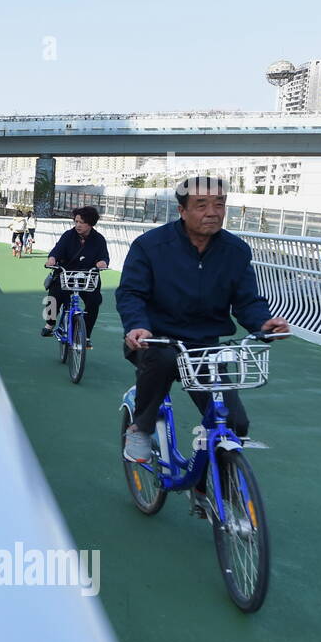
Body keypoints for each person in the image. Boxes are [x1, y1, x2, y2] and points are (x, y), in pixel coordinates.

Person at [117, 176, 290, 464]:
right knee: (163, 360)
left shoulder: (235, 251)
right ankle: (141, 427)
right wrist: (137, 325)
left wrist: (264, 323)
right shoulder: (150, 246)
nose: (212, 212)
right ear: (182, 211)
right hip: (156, 339)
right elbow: (131, 293)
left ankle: (214, 491)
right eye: (201, 205)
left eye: (219, 204)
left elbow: (246, 301)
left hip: (204, 348)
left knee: (234, 423)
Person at [41, 206, 109, 344]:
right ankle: (50, 322)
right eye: (76, 221)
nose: (78, 225)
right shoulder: (68, 235)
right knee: (53, 296)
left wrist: (102, 263)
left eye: (82, 222)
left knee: (94, 301)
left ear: (90, 223)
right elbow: (56, 251)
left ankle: (86, 335)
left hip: (87, 277)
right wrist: (52, 259)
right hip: (66, 274)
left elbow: (104, 257)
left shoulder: (99, 239)